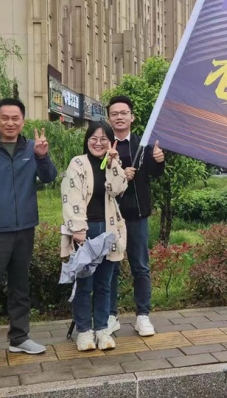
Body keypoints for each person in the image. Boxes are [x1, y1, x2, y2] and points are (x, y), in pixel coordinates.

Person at [0, 98, 58, 366]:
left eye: (15, 118)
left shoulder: (31, 147)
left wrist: (43, 156)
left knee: (20, 287)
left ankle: (19, 338)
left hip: (24, 228)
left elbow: (50, 177)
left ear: (23, 121)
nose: (10, 123)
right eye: (4, 118)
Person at [61, 120, 128, 351]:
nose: (98, 143)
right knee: (84, 284)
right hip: (85, 231)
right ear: (87, 140)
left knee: (104, 284)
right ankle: (84, 331)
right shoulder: (78, 163)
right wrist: (78, 229)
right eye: (93, 139)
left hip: (108, 230)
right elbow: (71, 196)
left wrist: (113, 163)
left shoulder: (111, 163)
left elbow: (118, 189)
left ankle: (102, 329)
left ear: (111, 142)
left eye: (103, 139)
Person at [105, 95, 165, 337]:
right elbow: (96, 174)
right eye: (114, 114)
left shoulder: (143, 143)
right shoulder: (102, 144)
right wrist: (117, 170)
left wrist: (159, 160)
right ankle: (110, 315)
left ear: (132, 117)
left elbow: (155, 172)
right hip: (111, 216)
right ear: (109, 118)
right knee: (111, 267)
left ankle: (143, 316)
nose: (119, 117)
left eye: (123, 113)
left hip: (137, 215)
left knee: (140, 266)